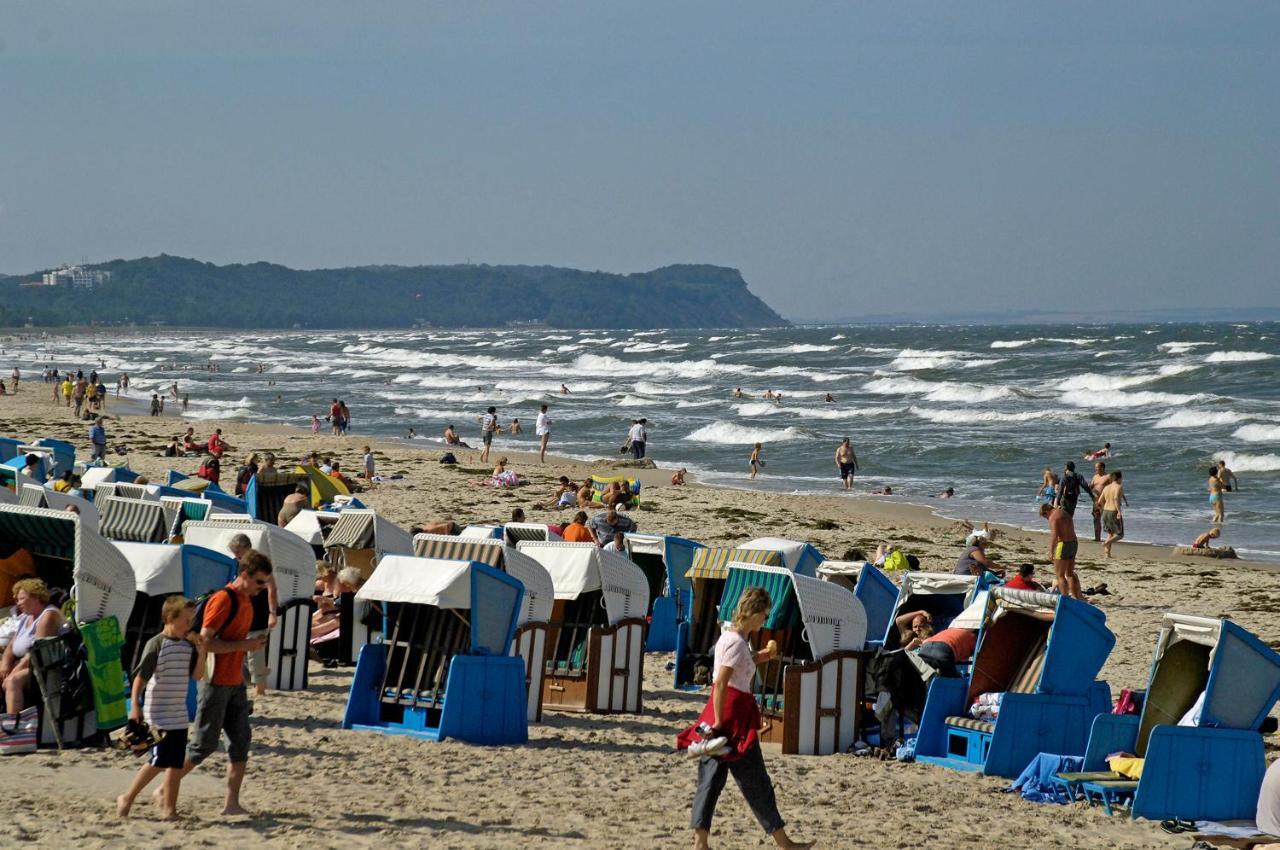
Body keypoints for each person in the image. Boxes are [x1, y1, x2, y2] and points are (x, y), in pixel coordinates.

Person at [687, 587, 812, 850]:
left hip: (723, 710)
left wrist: (762, 656)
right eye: (764, 615)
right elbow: (721, 682)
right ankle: (784, 843)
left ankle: (700, 842)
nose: (764, 621)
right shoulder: (735, 641)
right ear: (753, 613)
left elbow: (733, 668)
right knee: (755, 780)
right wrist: (721, 721)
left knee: (710, 779)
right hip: (732, 715)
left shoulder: (731, 638)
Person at [171, 550, 271, 816]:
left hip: (234, 681)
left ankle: (231, 803)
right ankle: (166, 789)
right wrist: (246, 644)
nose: (263, 589)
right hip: (214, 682)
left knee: (240, 742)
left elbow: (233, 642)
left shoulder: (247, 600)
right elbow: (207, 641)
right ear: (245, 575)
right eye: (260, 582)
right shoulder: (224, 600)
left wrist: (246, 661)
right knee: (203, 744)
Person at [117, 596, 207, 819]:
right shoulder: (156, 643)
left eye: (191, 620)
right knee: (158, 761)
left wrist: (202, 651)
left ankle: (169, 809)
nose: (189, 625)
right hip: (157, 712)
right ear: (169, 619)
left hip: (178, 713)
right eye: (185, 620)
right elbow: (141, 677)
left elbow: (197, 675)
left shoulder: (187, 646)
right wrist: (135, 706)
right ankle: (127, 797)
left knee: (175, 763)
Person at [0, 579, 66, 716]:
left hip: (43, 667)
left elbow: (37, 651)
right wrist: (5, 665)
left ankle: (14, 726)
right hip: (23, 664)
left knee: (13, 681)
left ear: (36, 596)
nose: (18, 603)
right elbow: (12, 646)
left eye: (21, 599)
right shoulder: (25, 617)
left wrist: (13, 672)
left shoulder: (48, 615)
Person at [229, 534, 277, 698]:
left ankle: (260, 688)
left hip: (258, 611)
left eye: (238, 551)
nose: (236, 554)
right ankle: (260, 675)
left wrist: (272, 613)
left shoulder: (258, 563)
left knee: (255, 650)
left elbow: (272, 588)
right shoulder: (237, 563)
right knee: (244, 649)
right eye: (234, 551)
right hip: (242, 610)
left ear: (247, 548)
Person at [1041, 502, 1083, 599]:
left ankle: (1065, 598)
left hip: (1063, 544)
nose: (1047, 519)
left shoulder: (1053, 517)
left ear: (1046, 511)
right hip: (1073, 542)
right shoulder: (1064, 513)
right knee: (1070, 573)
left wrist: (1051, 550)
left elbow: (1055, 535)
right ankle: (1077, 597)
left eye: (1045, 516)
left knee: (1059, 575)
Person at [1099, 471, 1128, 558]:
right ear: (1119, 478)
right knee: (1120, 534)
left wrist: (1103, 509)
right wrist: (1119, 511)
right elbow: (1116, 498)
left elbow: (1100, 501)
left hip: (1105, 511)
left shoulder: (1106, 487)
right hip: (1114, 511)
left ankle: (1107, 554)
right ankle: (1106, 543)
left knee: (1110, 534)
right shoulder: (1119, 486)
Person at [1089, 462, 1110, 542]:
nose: (1096, 469)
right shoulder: (1095, 477)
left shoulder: (1108, 477)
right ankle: (1097, 538)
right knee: (1096, 518)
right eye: (1095, 467)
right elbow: (1091, 487)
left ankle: (1110, 537)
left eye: (1097, 467)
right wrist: (1089, 487)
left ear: (1102, 468)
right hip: (1096, 500)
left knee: (1107, 519)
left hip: (1105, 500)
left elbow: (1113, 487)